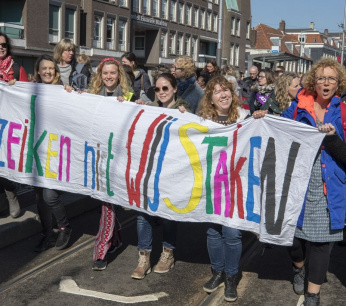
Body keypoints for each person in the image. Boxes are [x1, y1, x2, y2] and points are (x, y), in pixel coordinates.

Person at [281, 58, 346, 305]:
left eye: (331, 78)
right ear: (313, 82)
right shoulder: (298, 107)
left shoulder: (343, 112)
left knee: (320, 242)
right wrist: (263, 118)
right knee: (293, 238)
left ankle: (312, 295)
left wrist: (331, 139)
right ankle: (299, 266)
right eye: (321, 78)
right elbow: (281, 130)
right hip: (298, 181)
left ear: (338, 83)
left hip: (329, 184)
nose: (326, 82)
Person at [131, 73, 190, 280]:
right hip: (150, 170)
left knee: (168, 214)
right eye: (157, 89)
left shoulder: (185, 109)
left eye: (165, 88)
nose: (161, 92)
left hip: (173, 172)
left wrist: (185, 116)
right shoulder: (150, 109)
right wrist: (134, 106)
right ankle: (144, 257)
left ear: (175, 89)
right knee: (142, 212)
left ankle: (167, 254)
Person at [198, 76, 249, 302]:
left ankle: (231, 276)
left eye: (226, 90)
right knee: (213, 231)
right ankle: (217, 271)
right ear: (210, 97)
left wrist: (261, 119)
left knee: (232, 233)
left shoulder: (246, 118)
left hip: (237, 185)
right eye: (217, 91)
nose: (223, 95)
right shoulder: (202, 121)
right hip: (211, 185)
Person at [88, 58, 135, 270]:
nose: (109, 76)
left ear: (119, 75)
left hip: (118, 159)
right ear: (100, 75)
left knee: (107, 203)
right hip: (97, 156)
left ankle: (100, 251)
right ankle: (115, 240)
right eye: (105, 73)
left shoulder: (129, 96)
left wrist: (140, 105)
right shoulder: (91, 97)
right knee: (108, 202)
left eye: (113, 73)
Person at [31, 54, 74, 252]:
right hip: (37, 152)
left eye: (51, 68)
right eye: (44, 69)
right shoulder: (29, 89)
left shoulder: (63, 91)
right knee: (40, 197)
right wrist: (11, 87)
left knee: (49, 195)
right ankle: (47, 233)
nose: (48, 72)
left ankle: (65, 227)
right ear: (38, 72)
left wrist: (71, 94)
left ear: (55, 72)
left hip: (57, 152)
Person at [0, 31, 28, 218]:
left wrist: (17, 88)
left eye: (3, 45)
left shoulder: (17, 69)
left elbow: (26, 99)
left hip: (8, 126)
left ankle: (11, 194)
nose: (1, 47)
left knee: (3, 163)